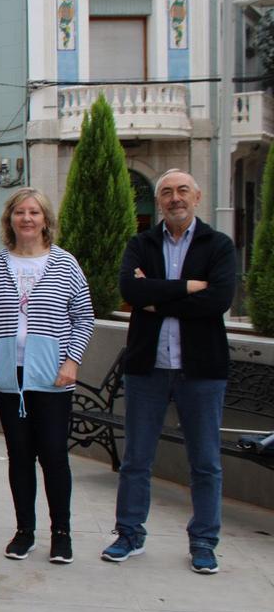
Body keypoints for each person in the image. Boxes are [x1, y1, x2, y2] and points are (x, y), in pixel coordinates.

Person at [102, 169, 236, 574]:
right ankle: (129, 534)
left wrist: (158, 295)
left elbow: (218, 301)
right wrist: (188, 286)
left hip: (202, 371)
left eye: (181, 191)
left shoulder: (219, 245)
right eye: (165, 192)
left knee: (205, 462)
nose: (174, 198)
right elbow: (131, 291)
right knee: (137, 458)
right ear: (158, 201)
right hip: (148, 367)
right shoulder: (141, 242)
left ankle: (204, 542)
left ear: (197, 196)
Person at [0, 188, 93, 564]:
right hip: (9, 377)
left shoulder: (65, 264)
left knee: (54, 455)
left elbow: (83, 317)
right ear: (10, 220)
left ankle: (62, 533)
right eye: (20, 212)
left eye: (34, 213)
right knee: (19, 456)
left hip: (53, 377)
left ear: (45, 220)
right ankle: (24, 531)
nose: (27, 219)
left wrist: (71, 361)